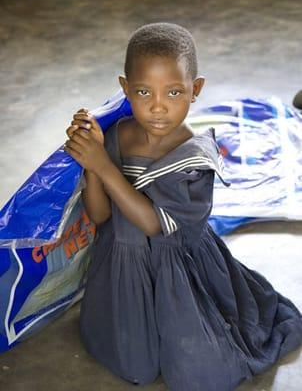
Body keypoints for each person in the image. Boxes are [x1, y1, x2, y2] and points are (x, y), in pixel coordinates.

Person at [64, 23, 302, 391]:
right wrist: (93, 162)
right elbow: (99, 216)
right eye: (143, 91)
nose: (158, 107)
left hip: (180, 273)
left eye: (174, 92)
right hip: (123, 270)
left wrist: (102, 166)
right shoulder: (115, 137)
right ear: (126, 89)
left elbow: (153, 224)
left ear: (196, 90)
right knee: (136, 366)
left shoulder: (194, 160)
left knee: (200, 376)